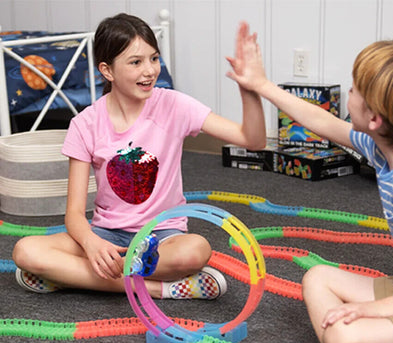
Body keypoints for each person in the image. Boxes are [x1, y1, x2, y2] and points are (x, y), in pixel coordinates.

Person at [227, 24, 393, 343]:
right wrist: (260, 84)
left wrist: (371, 311)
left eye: (355, 88)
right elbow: (324, 122)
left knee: (345, 337)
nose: (350, 92)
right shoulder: (385, 149)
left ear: (377, 119)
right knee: (318, 277)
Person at [12, 15, 266, 300]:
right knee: (26, 250)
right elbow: (73, 214)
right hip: (107, 235)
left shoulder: (174, 105)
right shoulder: (85, 124)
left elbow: (253, 140)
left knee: (196, 250)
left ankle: (74, 276)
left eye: (154, 58)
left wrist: (250, 90)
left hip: (162, 236)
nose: (150, 71)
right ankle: (163, 288)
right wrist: (92, 245)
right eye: (136, 62)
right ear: (107, 71)